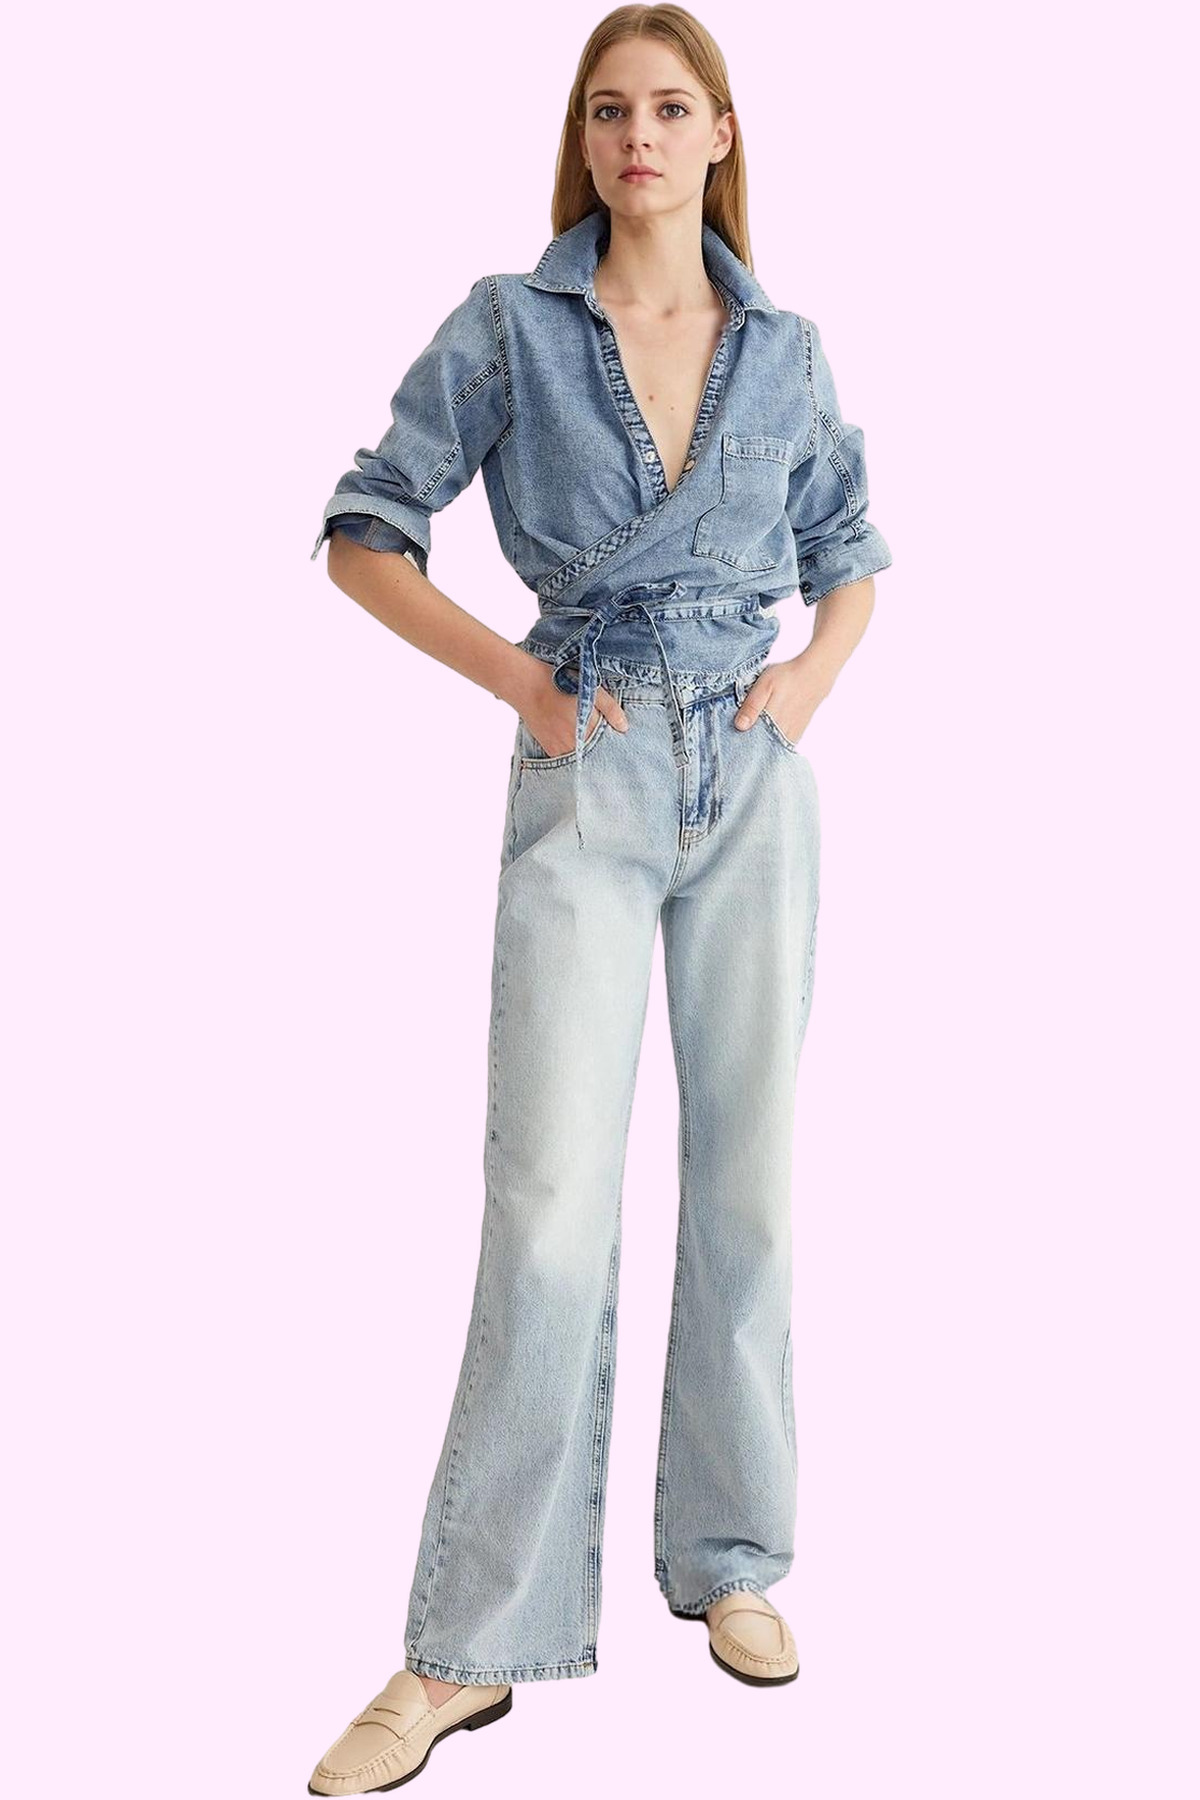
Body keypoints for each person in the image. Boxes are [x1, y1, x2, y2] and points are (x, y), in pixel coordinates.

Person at [306, 5, 892, 1792]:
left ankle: (731, 1559)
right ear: (585, 140)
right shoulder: (510, 324)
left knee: (751, 1187)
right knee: (551, 1203)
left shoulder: (783, 347)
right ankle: (465, 1648)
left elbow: (852, 555)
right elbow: (362, 531)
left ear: (721, 134)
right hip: (592, 760)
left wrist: (800, 691)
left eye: (670, 107)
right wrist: (528, 685)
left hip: (754, 781)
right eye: (609, 109)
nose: (639, 135)